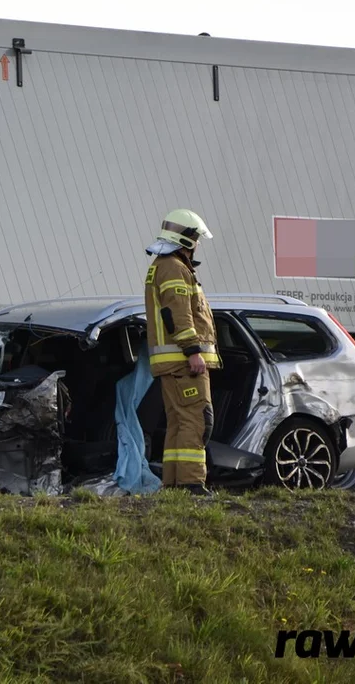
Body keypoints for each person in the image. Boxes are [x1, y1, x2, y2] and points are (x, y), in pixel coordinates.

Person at [143, 208, 220, 495]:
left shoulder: (163, 265)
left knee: (178, 423)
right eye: (197, 238)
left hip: (171, 363)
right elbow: (178, 314)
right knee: (197, 421)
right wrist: (193, 351)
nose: (198, 243)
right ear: (186, 238)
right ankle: (191, 484)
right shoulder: (174, 267)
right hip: (182, 361)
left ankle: (174, 486)